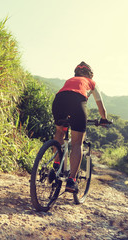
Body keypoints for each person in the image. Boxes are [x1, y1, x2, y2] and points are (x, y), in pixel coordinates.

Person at [51, 61, 109, 193]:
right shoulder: (91, 83)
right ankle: (71, 180)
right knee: (77, 143)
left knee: (60, 132)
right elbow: (101, 108)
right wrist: (104, 119)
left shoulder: (70, 80)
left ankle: (56, 163)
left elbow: (67, 96)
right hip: (77, 102)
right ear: (90, 75)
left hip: (58, 100)